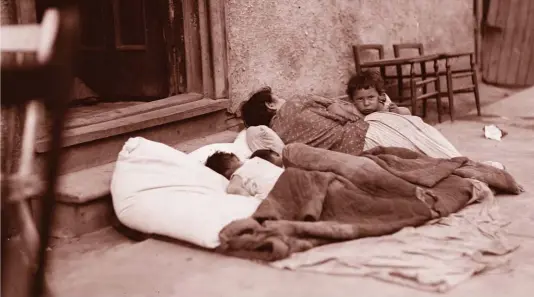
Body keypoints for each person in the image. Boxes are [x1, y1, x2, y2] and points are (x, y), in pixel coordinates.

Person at [240, 85, 462, 159]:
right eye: (277, 97)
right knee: (414, 124)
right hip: (364, 134)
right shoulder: (296, 103)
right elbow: (341, 108)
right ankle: (459, 160)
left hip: (354, 155)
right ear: (270, 105)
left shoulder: (278, 134)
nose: (283, 98)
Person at [204, 150, 284, 199]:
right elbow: (232, 188)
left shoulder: (252, 161)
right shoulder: (238, 173)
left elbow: (233, 189)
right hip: (280, 185)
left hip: (280, 184)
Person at [345, 69, 412, 116]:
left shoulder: (387, 109)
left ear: (380, 96)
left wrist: (398, 112)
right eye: (360, 99)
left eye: (371, 97)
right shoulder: (354, 109)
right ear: (352, 100)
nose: (366, 103)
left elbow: (407, 112)